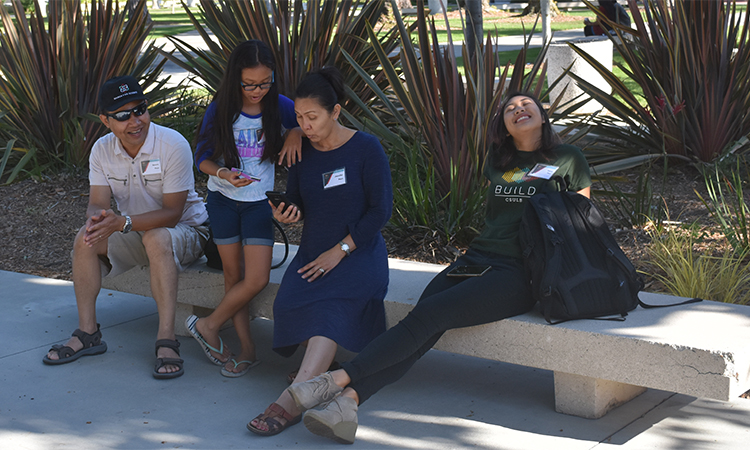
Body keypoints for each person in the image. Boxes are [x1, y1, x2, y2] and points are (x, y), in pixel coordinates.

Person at [283, 92, 592, 444]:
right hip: (478, 259)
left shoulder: (568, 158)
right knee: (422, 319)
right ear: (503, 126)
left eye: (525, 104)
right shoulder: (498, 159)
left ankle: (334, 381)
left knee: (430, 318)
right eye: (510, 108)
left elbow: (579, 225)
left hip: (521, 271)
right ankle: (348, 403)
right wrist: (295, 132)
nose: (518, 110)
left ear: (542, 113)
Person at [246, 67, 393, 437]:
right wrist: (286, 212)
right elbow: (297, 201)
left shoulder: (366, 148)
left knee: (329, 312)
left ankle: (292, 400)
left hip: (358, 254)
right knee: (291, 302)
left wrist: (340, 250)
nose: (305, 125)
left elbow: (381, 211)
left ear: (336, 112)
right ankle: (322, 373)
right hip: (313, 253)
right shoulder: (302, 152)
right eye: (298, 117)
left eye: (312, 117)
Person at [43, 75, 209, 380]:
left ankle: (166, 340)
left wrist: (123, 223)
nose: (135, 121)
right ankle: (88, 333)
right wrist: (97, 219)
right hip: (136, 232)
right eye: (122, 115)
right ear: (106, 121)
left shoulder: (172, 144)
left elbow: (172, 214)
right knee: (86, 239)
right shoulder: (101, 150)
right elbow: (97, 202)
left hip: (187, 232)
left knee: (158, 238)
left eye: (140, 109)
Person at [185, 40, 302, 377]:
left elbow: (307, 121)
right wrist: (223, 172)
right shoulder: (222, 107)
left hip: (257, 206)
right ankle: (247, 350)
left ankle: (208, 325)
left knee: (257, 279)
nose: (257, 90)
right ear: (235, 79)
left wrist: (293, 131)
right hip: (222, 201)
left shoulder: (277, 104)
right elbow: (202, 158)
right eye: (249, 84)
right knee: (233, 277)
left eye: (265, 82)